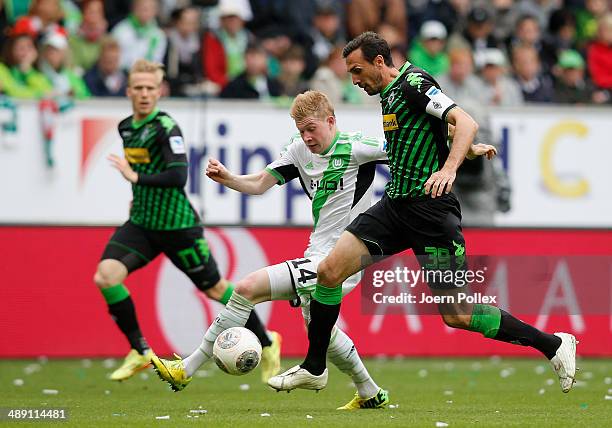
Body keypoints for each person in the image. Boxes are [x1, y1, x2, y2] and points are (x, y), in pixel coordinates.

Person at [269, 32, 577, 395]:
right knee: (329, 270)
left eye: (357, 70)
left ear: (379, 62)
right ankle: (315, 366)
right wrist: (459, 147)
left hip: (431, 213)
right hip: (396, 207)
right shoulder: (389, 94)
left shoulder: (414, 83)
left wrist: (449, 167)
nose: (353, 80)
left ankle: (554, 345)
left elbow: (465, 121)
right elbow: (432, 128)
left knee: (458, 314)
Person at [150, 90, 497, 408]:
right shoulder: (299, 150)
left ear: (331, 121)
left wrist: (465, 148)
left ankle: (188, 367)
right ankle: (369, 391)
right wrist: (229, 178)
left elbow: (413, 148)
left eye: (312, 129)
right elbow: (259, 183)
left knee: (245, 289)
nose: (307, 137)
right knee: (324, 333)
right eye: (301, 131)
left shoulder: (358, 146)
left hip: (343, 257)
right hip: (316, 251)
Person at [94, 59, 280, 383]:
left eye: (150, 88)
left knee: (216, 289)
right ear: (128, 91)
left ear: (160, 92)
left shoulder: (166, 128)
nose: (143, 94)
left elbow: (178, 175)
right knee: (106, 277)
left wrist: (133, 175)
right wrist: (136, 193)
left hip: (178, 226)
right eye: (138, 88)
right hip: (142, 223)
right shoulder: (126, 127)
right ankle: (140, 351)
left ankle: (267, 342)